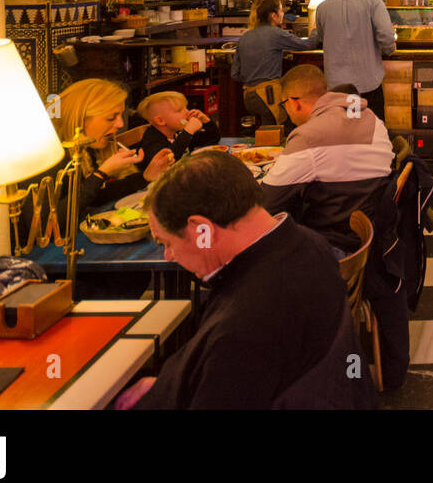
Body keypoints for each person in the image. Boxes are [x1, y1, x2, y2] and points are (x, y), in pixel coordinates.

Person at [117, 151, 367, 409]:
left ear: (201, 229)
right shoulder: (308, 244)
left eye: (167, 243)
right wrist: (172, 382)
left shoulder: (243, 328)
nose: (169, 256)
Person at [20, 79, 174, 243]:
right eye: (110, 118)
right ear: (80, 119)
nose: (120, 124)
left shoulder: (82, 149)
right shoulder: (47, 154)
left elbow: (92, 197)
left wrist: (144, 177)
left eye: (120, 115)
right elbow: (45, 227)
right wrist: (101, 173)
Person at [260, 65, 394, 251]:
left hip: (333, 245)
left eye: (284, 106)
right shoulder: (369, 116)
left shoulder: (308, 137)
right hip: (372, 232)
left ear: (294, 102)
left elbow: (266, 203)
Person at [309, 0, 396, 119]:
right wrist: (389, 51)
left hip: (337, 86)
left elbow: (321, 37)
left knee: (342, 134)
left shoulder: (322, 8)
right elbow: (387, 36)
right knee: (372, 132)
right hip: (368, 83)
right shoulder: (373, 3)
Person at [232, 0, 315, 126]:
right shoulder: (276, 34)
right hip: (268, 97)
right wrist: (315, 30)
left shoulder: (244, 37)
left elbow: (235, 74)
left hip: (248, 97)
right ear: (273, 16)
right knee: (278, 134)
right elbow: (307, 45)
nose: (283, 14)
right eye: (281, 11)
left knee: (264, 135)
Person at [136, 91, 221, 169]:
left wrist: (206, 121)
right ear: (160, 121)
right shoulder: (152, 142)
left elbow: (213, 138)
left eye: (186, 108)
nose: (187, 112)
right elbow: (169, 162)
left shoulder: (176, 132)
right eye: (180, 110)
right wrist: (188, 132)